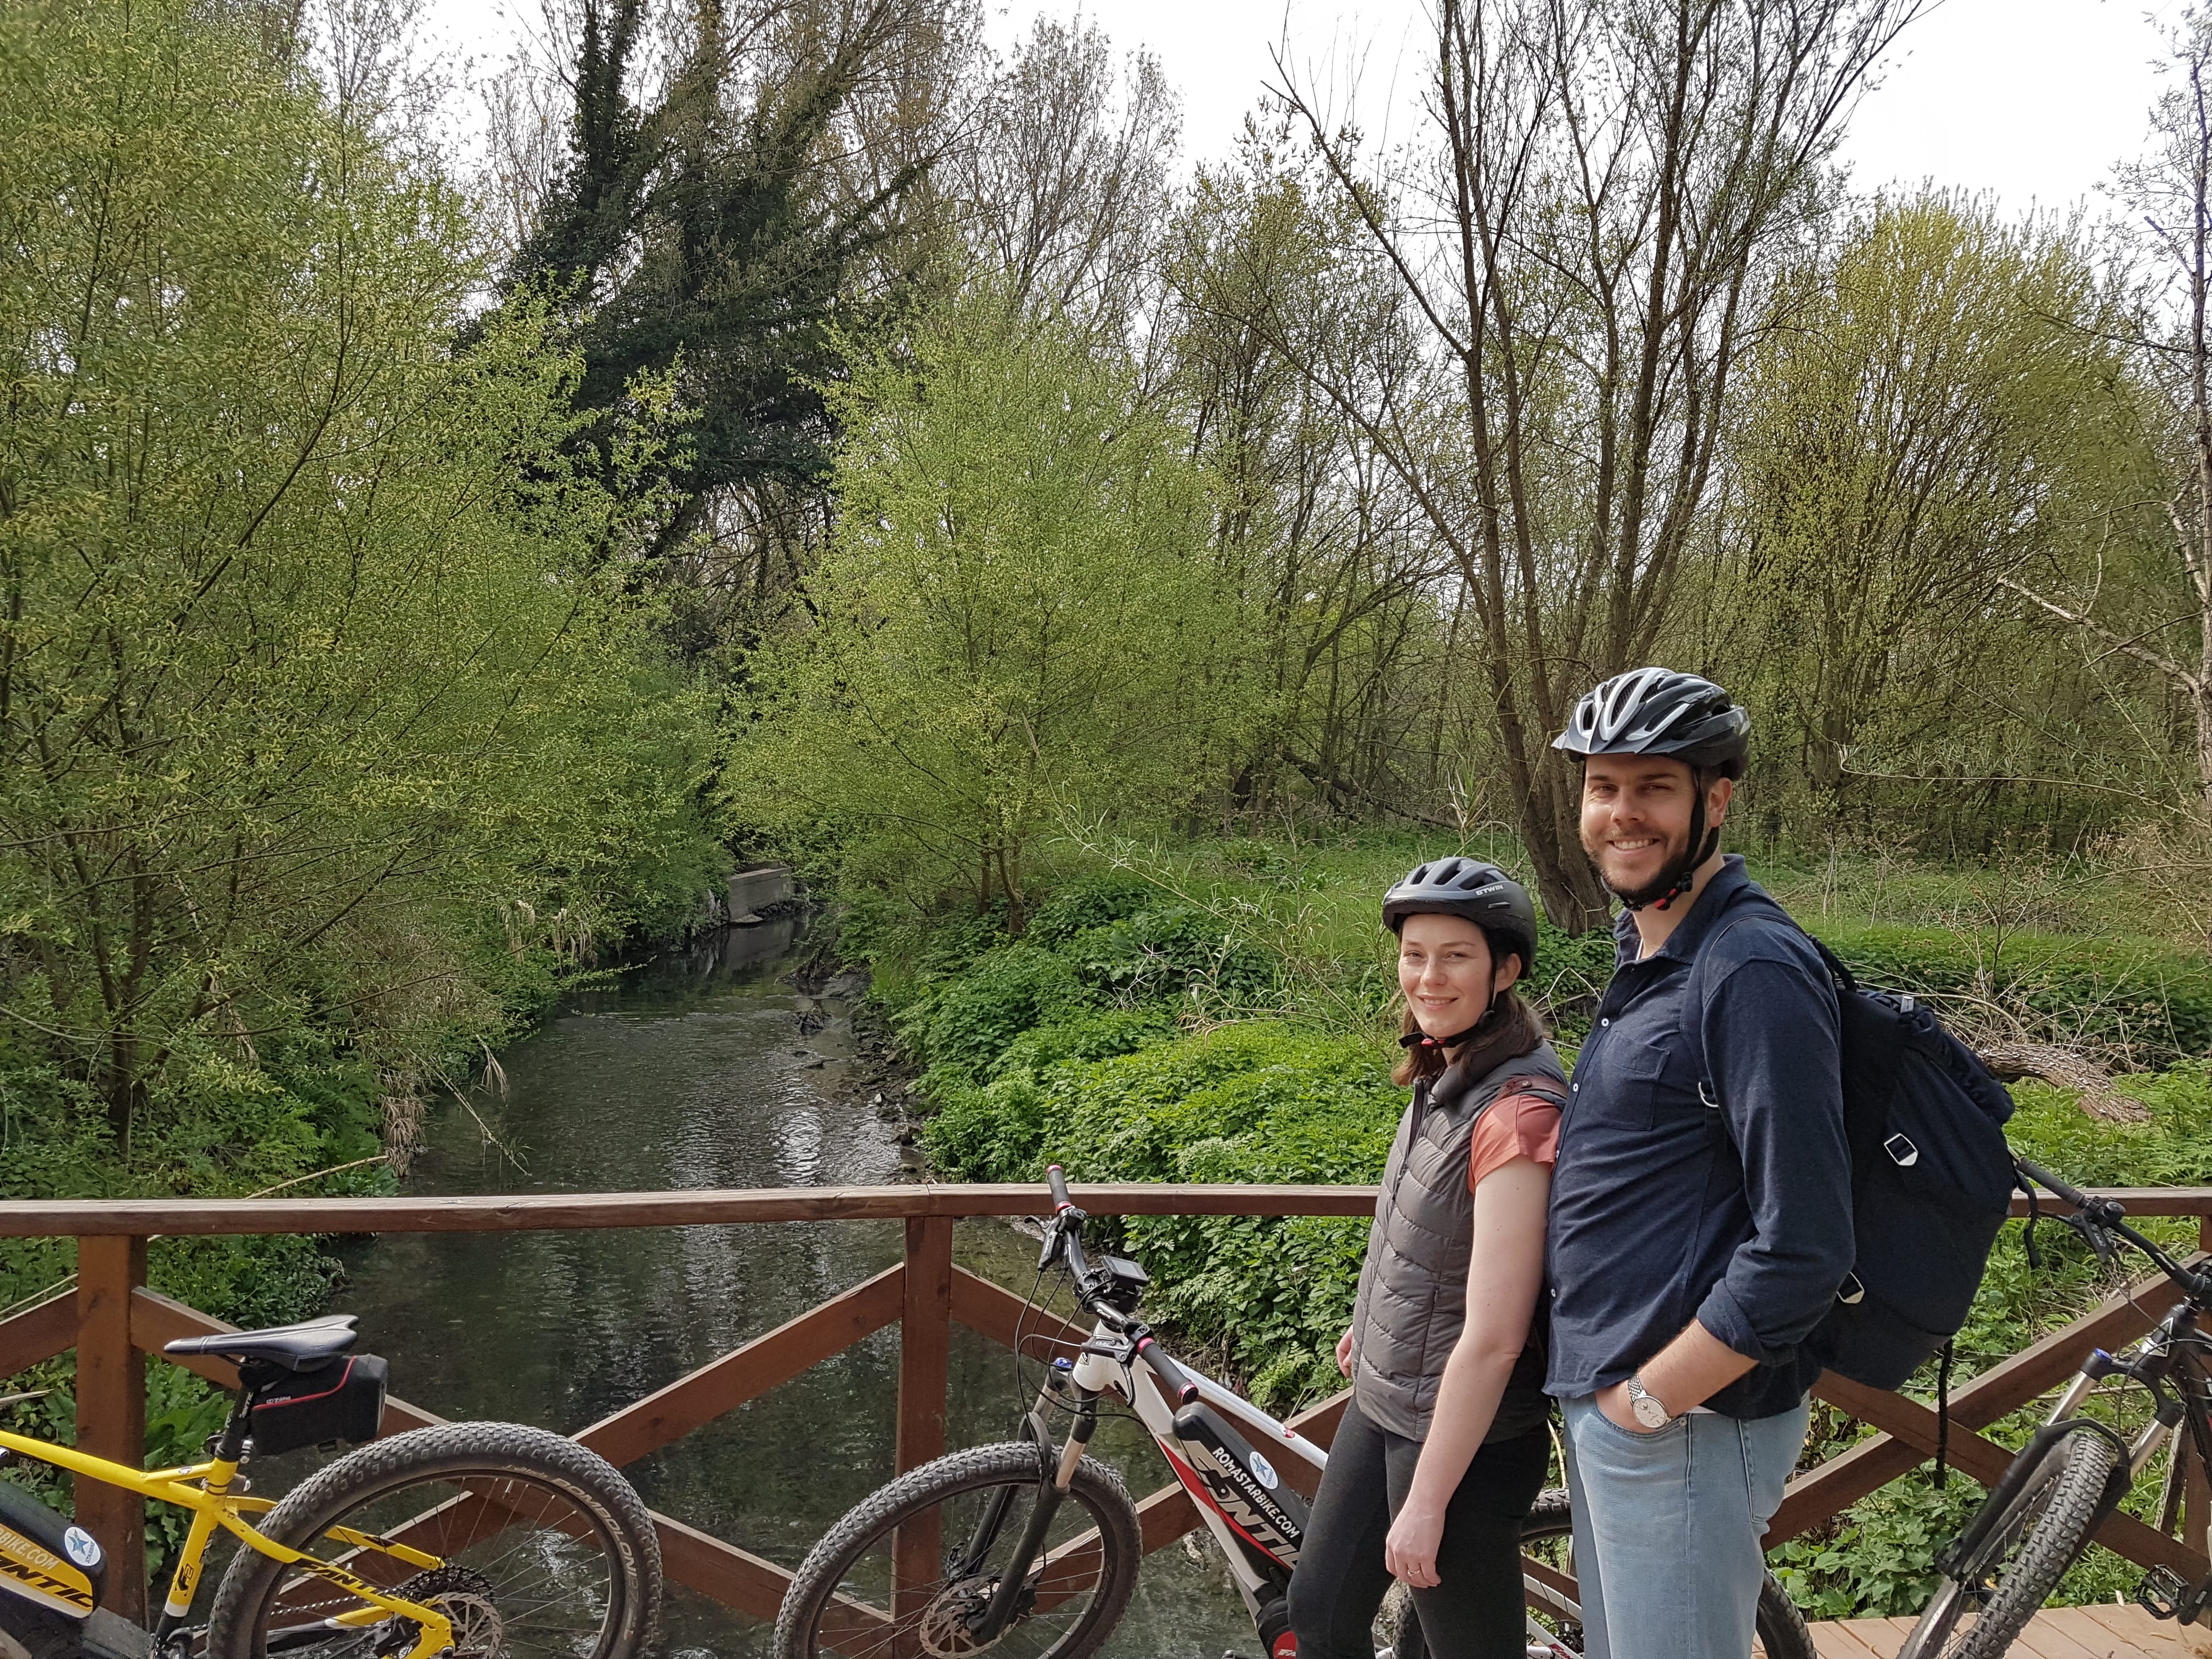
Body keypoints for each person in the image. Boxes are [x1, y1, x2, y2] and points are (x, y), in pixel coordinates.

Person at [1544, 667, 1854, 1659]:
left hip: (1679, 1424)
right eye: (1604, 787)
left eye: (1655, 788)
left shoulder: (1751, 969)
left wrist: (1648, 1401)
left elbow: (1805, 1244)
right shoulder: (1652, 952)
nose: (1622, 814)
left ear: (1715, 800)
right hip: (1623, 1410)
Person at [1288, 858, 1567, 1659]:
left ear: (1505, 969)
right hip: (1389, 1399)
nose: (1429, 976)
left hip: (1462, 1440)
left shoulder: (1516, 1113)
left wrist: (1429, 1501)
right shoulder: (1445, 1069)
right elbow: (1421, 1231)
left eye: (1456, 955)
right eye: (1415, 953)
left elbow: (1496, 1334)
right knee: (1321, 1613)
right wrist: (1369, 1324)